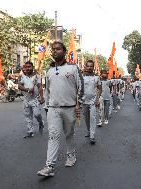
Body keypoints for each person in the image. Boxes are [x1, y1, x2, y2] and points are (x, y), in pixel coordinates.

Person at [37, 41, 83, 177]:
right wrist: (46, 107)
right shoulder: (49, 70)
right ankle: (49, 166)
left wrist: (78, 104)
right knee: (53, 136)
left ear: (64, 51)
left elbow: (81, 87)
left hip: (70, 108)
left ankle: (71, 155)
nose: (55, 51)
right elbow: (48, 91)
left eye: (58, 49)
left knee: (69, 134)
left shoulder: (73, 68)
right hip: (53, 108)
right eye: (53, 49)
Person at [18, 61, 45, 138]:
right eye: (26, 67)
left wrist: (42, 97)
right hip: (26, 99)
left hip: (35, 99)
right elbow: (19, 86)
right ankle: (30, 131)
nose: (27, 68)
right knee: (27, 116)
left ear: (32, 67)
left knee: (37, 114)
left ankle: (41, 122)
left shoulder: (37, 76)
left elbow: (40, 87)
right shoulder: (22, 77)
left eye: (29, 67)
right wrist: (28, 90)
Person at [82, 60, 102, 144]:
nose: (90, 67)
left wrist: (97, 99)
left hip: (93, 101)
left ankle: (92, 135)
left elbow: (100, 88)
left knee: (93, 118)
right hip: (84, 101)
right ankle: (88, 131)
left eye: (91, 66)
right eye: (88, 66)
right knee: (86, 118)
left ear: (93, 67)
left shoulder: (96, 77)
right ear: (85, 67)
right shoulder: (81, 77)